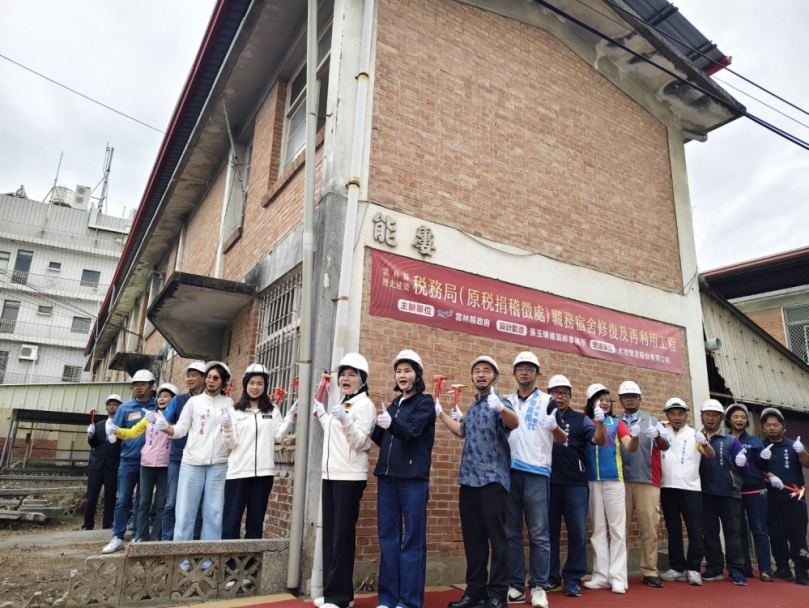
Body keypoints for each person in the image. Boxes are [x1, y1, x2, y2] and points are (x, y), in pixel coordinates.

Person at [437, 356, 519, 608]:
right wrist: (440, 413)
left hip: (493, 480)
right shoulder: (473, 407)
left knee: (498, 540)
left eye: (486, 371)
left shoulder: (499, 401)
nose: (481, 375)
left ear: (494, 377)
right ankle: (475, 592)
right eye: (477, 371)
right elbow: (460, 431)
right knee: (473, 541)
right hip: (469, 481)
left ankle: (497, 595)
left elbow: (514, 422)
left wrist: (502, 409)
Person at [372, 350, 436, 608]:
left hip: (412, 478)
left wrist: (392, 425)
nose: (402, 375)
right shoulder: (393, 404)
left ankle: (409, 601)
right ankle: (388, 599)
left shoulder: (425, 402)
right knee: (387, 538)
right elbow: (382, 438)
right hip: (387, 478)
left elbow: (411, 432)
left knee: (412, 540)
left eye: (407, 370)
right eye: (399, 371)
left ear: (417, 375)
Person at [503, 353, 566, 608]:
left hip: (537, 473)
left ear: (537, 374)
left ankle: (539, 586)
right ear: (515, 373)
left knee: (539, 533)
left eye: (530, 369)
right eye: (520, 369)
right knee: (511, 533)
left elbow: (562, 440)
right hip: (509, 472)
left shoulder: (549, 401)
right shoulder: (505, 401)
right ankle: (516, 587)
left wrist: (554, 427)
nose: (525, 373)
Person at [313, 353, 376, 608]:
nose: (345, 379)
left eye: (352, 374)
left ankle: (338, 598)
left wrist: (344, 418)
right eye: (343, 374)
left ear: (362, 379)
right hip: (331, 474)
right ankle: (337, 595)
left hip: (350, 477)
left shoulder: (365, 405)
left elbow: (360, 442)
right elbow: (335, 431)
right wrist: (323, 416)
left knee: (342, 536)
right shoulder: (344, 402)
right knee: (330, 535)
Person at [156, 361, 232, 552]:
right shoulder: (193, 402)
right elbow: (181, 430)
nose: (211, 381)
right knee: (185, 512)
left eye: (216, 378)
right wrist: (166, 427)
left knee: (214, 512)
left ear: (223, 382)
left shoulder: (229, 403)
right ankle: (181, 556)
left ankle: (208, 557)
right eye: (209, 377)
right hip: (192, 463)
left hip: (219, 464)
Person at [221, 364, 296, 540]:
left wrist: (290, 417)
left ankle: (250, 565)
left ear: (265, 386)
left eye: (260, 383)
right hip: (238, 473)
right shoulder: (235, 411)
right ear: (246, 384)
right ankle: (229, 564)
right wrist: (226, 427)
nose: (255, 387)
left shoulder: (272, 410)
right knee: (231, 521)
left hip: (263, 473)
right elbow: (230, 444)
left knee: (256, 522)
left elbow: (277, 437)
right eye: (252, 383)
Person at [546, 375, 605, 597]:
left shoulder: (581, 420)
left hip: (575, 485)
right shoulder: (542, 417)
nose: (560, 397)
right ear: (548, 394)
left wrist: (599, 422)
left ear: (570, 397)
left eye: (564, 393)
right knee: (548, 533)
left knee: (577, 533)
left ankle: (572, 578)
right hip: (547, 483)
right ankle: (551, 578)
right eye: (555, 392)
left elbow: (599, 440)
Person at [583, 384, 638, 595]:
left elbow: (630, 448)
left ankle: (617, 577)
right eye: (599, 399)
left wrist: (636, 437)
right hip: (591, 480)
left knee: (616, 530)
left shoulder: (617, 423)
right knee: (597, 530)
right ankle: (600, 576)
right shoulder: (585, 421)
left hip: (614, 480)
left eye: (607, 399)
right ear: (591, 403)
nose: (604, 402)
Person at [108, 383, 178, 542]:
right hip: (146, 464)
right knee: (143, 502)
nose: (161, 399)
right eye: (160, 396)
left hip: (165, 466)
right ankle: (141, 536)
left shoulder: (177, 418)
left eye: (166, 396)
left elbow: (180, 434)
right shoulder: (149, 416)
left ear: (173, 400)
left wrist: (168, 425)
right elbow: (132, 432)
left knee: (162, 504)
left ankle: (157, 537)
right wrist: (116, 431)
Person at [617, 380, 669, 588]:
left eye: (633, 396)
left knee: (649, 528)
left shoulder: (653, 421)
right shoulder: (615, 421)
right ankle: (620, 572)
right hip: (620, 482)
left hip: (648, 481)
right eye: (626, 396)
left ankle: (649, 571)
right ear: (620, 400)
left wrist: (658, 436)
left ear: (640, 398)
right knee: (621, 530)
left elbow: (665, 445)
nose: (630, 399)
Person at [658, 397, 714, 586]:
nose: (677, 417)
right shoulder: (661, 433)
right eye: (672, 414)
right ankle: (676, 567)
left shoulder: (694, 434)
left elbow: (710, 454)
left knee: (695, 530)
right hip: (667, 488)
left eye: (680, 413)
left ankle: (694, 569)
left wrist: (704, 443)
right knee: (673, 530)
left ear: (686, 415)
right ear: (667, 415)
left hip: (690, 488)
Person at [101, 370, 158, 554]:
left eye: (142, 384)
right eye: (135, 384)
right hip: (128, 461)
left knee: (143, 500)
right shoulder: (124, 408)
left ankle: (138, 535)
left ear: (151, 385)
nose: (138, 387)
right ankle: (117, 536)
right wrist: (110, 434)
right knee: (123, 498)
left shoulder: (157, 406)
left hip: (149, 462)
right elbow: (113, 430)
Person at [698, 399, 748, 585]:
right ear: (702, 416)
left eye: (715, 415)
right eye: (707, 414)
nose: (710, 418)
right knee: (709, 532)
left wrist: (743, 463)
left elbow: (744, 468)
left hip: (729, 493)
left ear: (721, 418)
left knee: (732, 533)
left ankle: (736, 569)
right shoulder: (696, 437)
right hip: (704, 493)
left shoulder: (731, 440)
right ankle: (714, 567)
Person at [758, 407, 809, 586]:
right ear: (764, 428)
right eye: (768, 425)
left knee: (797, 535)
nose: (772, 428)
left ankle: (802, 571)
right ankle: (783, 568)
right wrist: (768, 475)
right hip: (770, 499)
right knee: (776, 535)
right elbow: (756, 469)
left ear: (783, 427)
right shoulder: (761, 446)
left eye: (775, 424)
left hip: (794, 498)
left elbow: (807, 464)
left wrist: (802, 451)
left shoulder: (793, 444)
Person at [726, 403, 772, 582]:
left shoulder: (754, 441)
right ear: (729, 419)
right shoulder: (726, 440)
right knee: (739, 531)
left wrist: (765, 460)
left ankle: (765, 569)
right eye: (736, 417)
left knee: (759, 530)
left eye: (743, 417)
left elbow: (762, 467)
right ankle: (744, 566)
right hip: (734, 491)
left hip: (755, 489)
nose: (740, 420)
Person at [161, 361, 207, 540]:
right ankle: (167, 543)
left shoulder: (212, 400)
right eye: (188, 375)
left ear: (203, 378)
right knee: (172, 502)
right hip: (177, 458)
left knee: (196, 504)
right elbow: (166, 422)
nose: (189, 379)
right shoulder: (179, 400)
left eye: (193, 375)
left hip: (199, 459)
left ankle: (192, 543)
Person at [83, 394, 122, 531]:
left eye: (115, 404)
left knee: (110, 496)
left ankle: (107, 524)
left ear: (120, 407)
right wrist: (91, 435)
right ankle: (87, 525)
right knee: (92, 495)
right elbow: (93, 444)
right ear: (106, 407)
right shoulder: (98, 425)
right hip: (96, 465)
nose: (112, 407)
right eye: (110, 404)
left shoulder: (122, 426)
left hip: (113, 465)